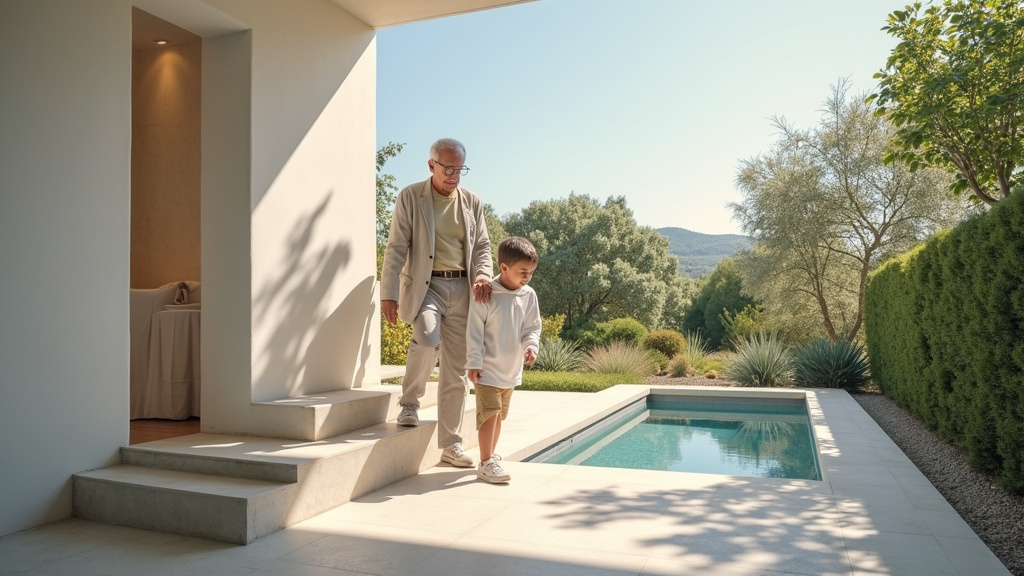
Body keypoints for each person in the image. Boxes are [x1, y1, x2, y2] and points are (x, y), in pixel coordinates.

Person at [380, 138, 492, 468]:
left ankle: (451, 444)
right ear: (431, 165)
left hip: (463, 288)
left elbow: (482, 246)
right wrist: (389, 293)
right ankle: (410, 404)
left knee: (457, 369)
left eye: (460, 169)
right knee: (427, 339)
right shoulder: (411, 196)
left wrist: (483, 275)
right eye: (448, 169)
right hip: (426, 286)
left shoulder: (472, 201)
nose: (454, 176)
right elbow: (396, 247)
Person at [466, 236, 542, 483]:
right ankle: (485, 462)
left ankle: (490, 457)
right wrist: (474, 361)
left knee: (498, 416)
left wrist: (531, 347)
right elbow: (474, 330)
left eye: (531, 272)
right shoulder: (486, 293)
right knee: (489, 414)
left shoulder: (528, 295)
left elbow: (532, 327)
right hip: (487, 369)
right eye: (523, 272)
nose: (528, 277)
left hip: (511, 371)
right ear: (504, 267)